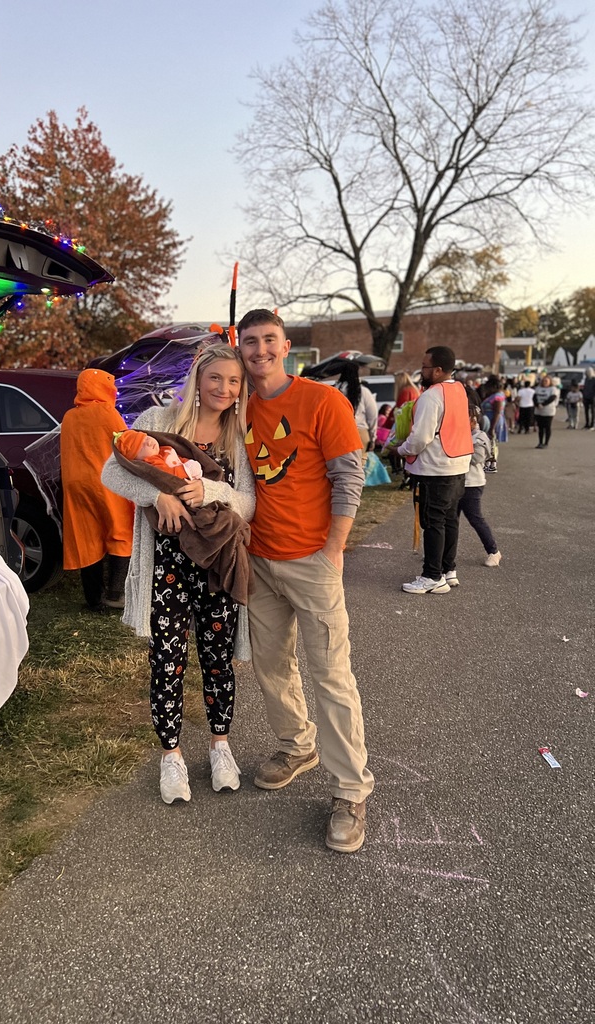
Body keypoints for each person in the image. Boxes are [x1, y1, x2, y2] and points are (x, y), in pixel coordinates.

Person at [237, 309, 373, 855]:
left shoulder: (322, 401)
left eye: (269, 340)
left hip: (313, 559)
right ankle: (297, 746)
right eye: (250, 343)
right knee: (272, 665)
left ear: (286, 346)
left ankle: (350, 790)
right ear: (239, 347)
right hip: (259, 560)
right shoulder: (235, 406)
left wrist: (335, 546)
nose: (260, 351)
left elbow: (349, 474)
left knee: (331, 675)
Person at [101, 344, 255, 805]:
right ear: (197, 378)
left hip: (217, 565)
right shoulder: (158, 420)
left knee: (217, 659)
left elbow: (247, 502)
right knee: (167, 661)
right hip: (167, 566)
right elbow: (112, 471)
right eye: (216, 379)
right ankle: (171, 755)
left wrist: (209, 488)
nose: (224, 389)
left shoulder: (238, 436)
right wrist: (156, 496)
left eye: (233, 382)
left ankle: (220, 747)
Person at [388, 346, 473, 594]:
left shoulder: (431, 396)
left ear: (437, 370)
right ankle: (448, 570)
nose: (421, 371)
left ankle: (432, 576)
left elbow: (420, 438)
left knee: (433, 522)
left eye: (424, 367)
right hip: (457, 463)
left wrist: (399, 451)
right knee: (449, 520)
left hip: (435, 468)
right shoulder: (459, 390)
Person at [60, 368, 134, 611]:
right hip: (106, 482)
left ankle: (93, 598)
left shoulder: (69, 416)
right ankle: (115, 594)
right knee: (120, 530)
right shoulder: (108, 413)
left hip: (76, 485)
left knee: (86, 535)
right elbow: (126, 444)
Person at [455, 406, 502, 572]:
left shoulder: (480, 437)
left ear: (473, 421)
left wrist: (456, 447)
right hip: (455, 482)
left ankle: (493, 551)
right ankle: (444, 553)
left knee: (475, 518)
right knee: (449, 520)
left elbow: (477, 458)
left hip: (472, 484)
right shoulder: (457, 434)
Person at [114, 429, 203, 479]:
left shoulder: (163, 449)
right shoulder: (153, 461)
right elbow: (167, 475)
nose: (148, 442)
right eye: (141, 447)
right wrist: (187, 471)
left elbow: (179, 458)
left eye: (146, 438)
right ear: (138, 459)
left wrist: (188, 462)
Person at [336, 361, 377, 465]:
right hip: (360, 433)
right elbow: (373, 416)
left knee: (342, 468)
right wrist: (373, 437)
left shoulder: (335, 390)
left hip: (340, 433)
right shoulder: (364, 391)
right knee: (359, 469)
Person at [533, 374, 560, 448]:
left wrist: (543, 404)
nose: (545, 382)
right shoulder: (538, 388)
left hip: (548, 411)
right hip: (538, 410)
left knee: (547, 426)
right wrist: (537, 404)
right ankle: (540, 442)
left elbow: (552, 397)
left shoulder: (553, 389)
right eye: (543, 381)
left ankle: (546, 443)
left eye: (546, 381)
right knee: (540, 427)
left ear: (550, 381)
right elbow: (534, 397)